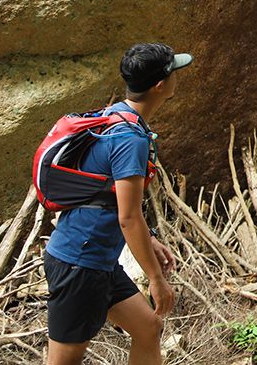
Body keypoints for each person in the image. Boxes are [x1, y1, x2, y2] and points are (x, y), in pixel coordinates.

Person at [44, 43, 192, 365]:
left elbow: (106, 198)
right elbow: (128, 217)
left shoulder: (114, 116)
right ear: (160, 86)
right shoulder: (130, 139)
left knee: (149, 328)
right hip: (78, 264)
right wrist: (155, 278)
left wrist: (149, 239)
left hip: (98, 262)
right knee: (62, 362)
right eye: (173, 72)